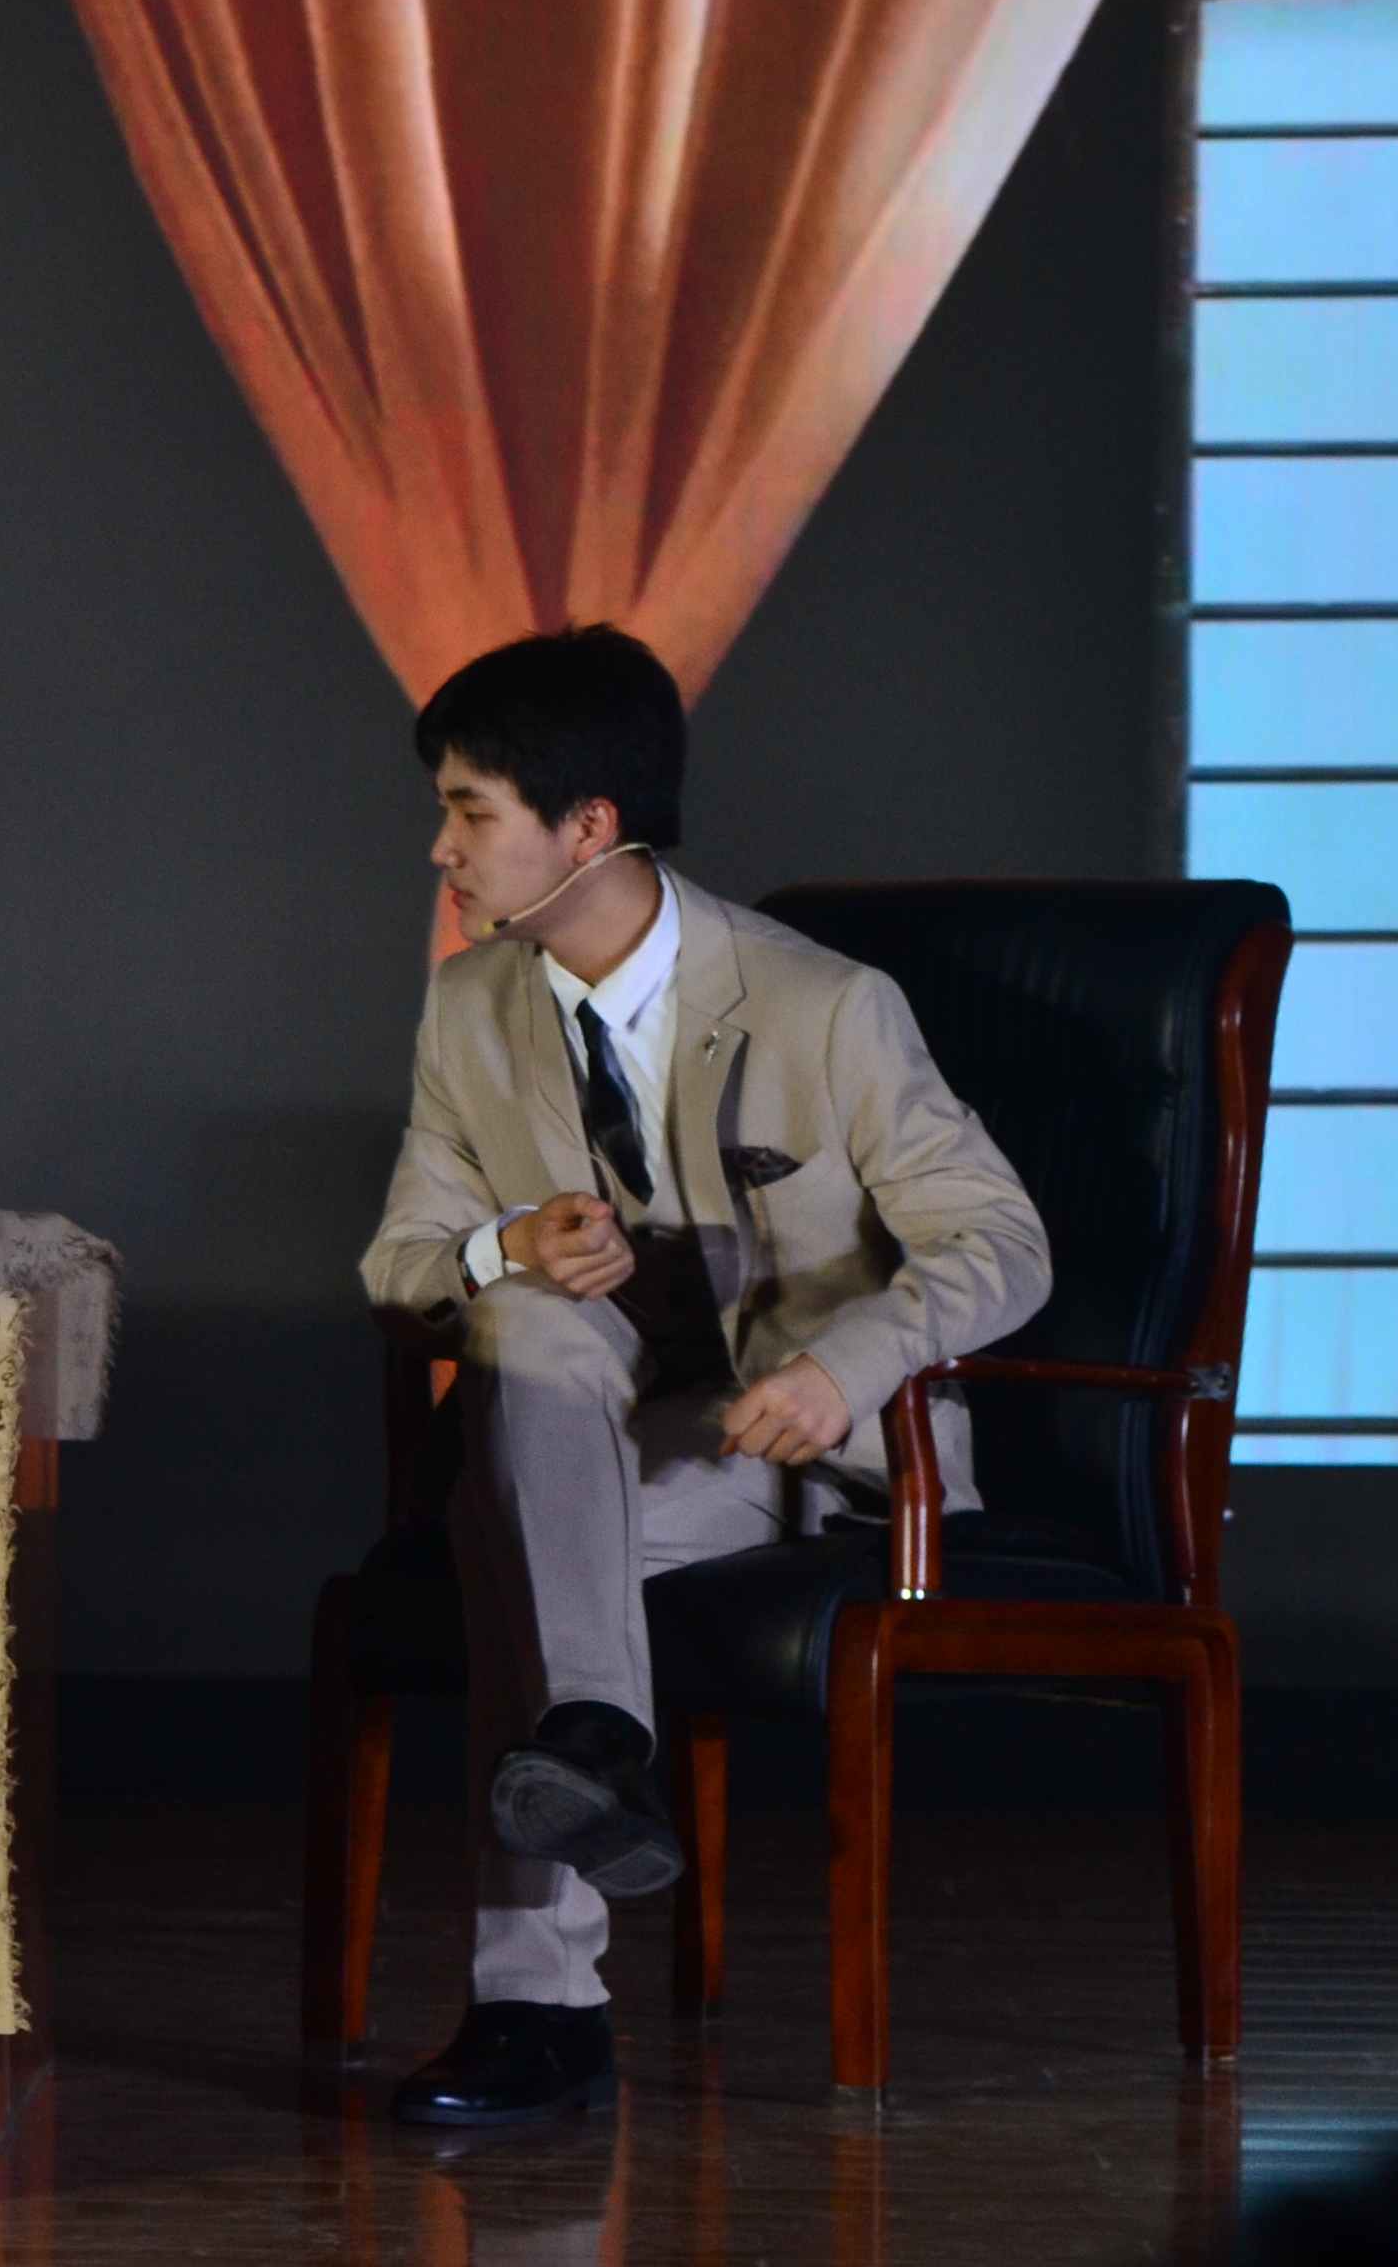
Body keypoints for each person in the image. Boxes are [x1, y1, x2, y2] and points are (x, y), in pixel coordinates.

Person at [358, 625, 1048, 2128]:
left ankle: (540, 2009)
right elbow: (400, 1266)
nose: (442, 849)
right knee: (528, 1334)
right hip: (589, 1428)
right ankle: (599, 1743)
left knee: (513, 1546)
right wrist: (506, 1246)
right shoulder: (471, 1008)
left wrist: (848, 1367)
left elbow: (1003, 1244)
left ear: (588, 826)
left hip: (793, 1453)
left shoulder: (825, 1004)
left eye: (470, 810)